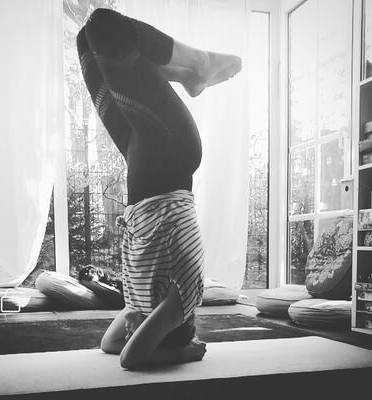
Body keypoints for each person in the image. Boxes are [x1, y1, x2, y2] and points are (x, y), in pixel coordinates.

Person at [77, 8, 242, 370]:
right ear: (161, 330)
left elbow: (109, 345)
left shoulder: (140, 304)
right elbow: (128, 358)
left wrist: (137, 319)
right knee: (104, 27)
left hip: (141, 160)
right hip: (172, 151)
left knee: (87, 44)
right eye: (135, 331)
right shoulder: (179, 303)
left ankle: (180, 72)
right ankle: (198, 64)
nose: (125, 330)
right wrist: (181, 353)